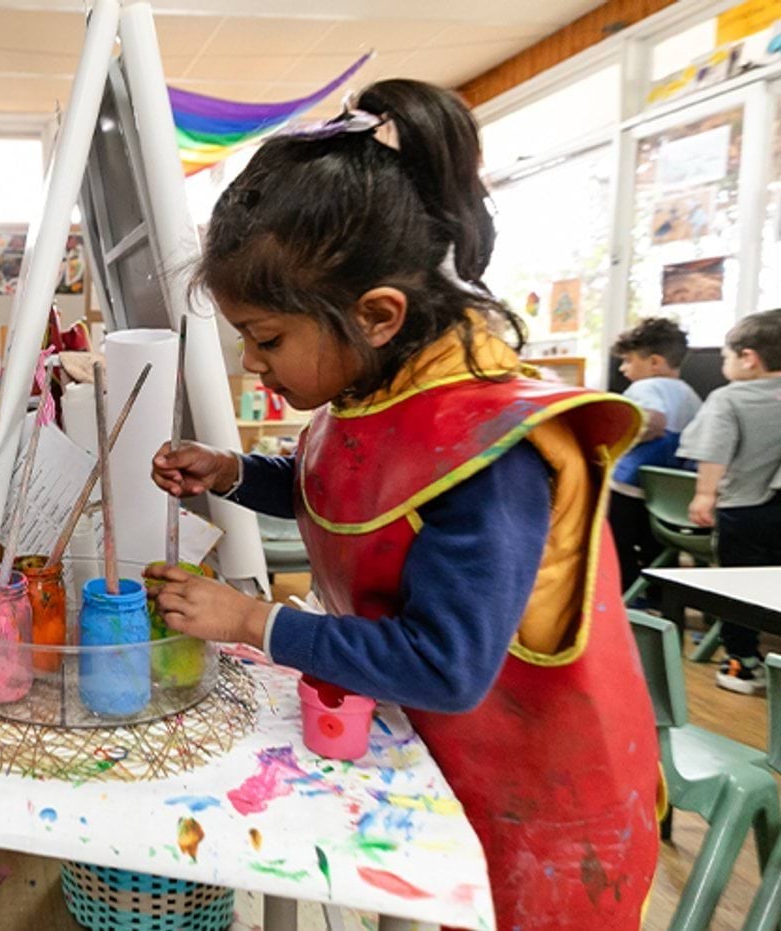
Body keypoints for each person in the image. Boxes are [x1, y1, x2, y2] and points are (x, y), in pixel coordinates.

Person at [146, 80, 657, 929]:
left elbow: (445, 664)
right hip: (438, 762)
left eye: (267, 338)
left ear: (377, 315)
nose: (255, 365)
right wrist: (234, 471)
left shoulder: (493, 447)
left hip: (540, 795)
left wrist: (249, 621)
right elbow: (350, 493)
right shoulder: (373, 392)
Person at [678, 309, 781, 695]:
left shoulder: (729, 398)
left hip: (745, 510)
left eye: (725, 357)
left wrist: (705, 494)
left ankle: (742, 663)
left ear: (749, 358)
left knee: (738, 590)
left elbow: (714, 450)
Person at [606, 317, 703, 593]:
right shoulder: (691, 395)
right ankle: (660, 598)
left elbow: (653, 422)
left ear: (655, 363)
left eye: (627, 360)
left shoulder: (644, 387)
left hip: (631, 485)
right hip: (670, 496)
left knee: (616, 542)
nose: (623, 369)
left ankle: (626, 595)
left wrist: (617, 437)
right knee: (656, 546)